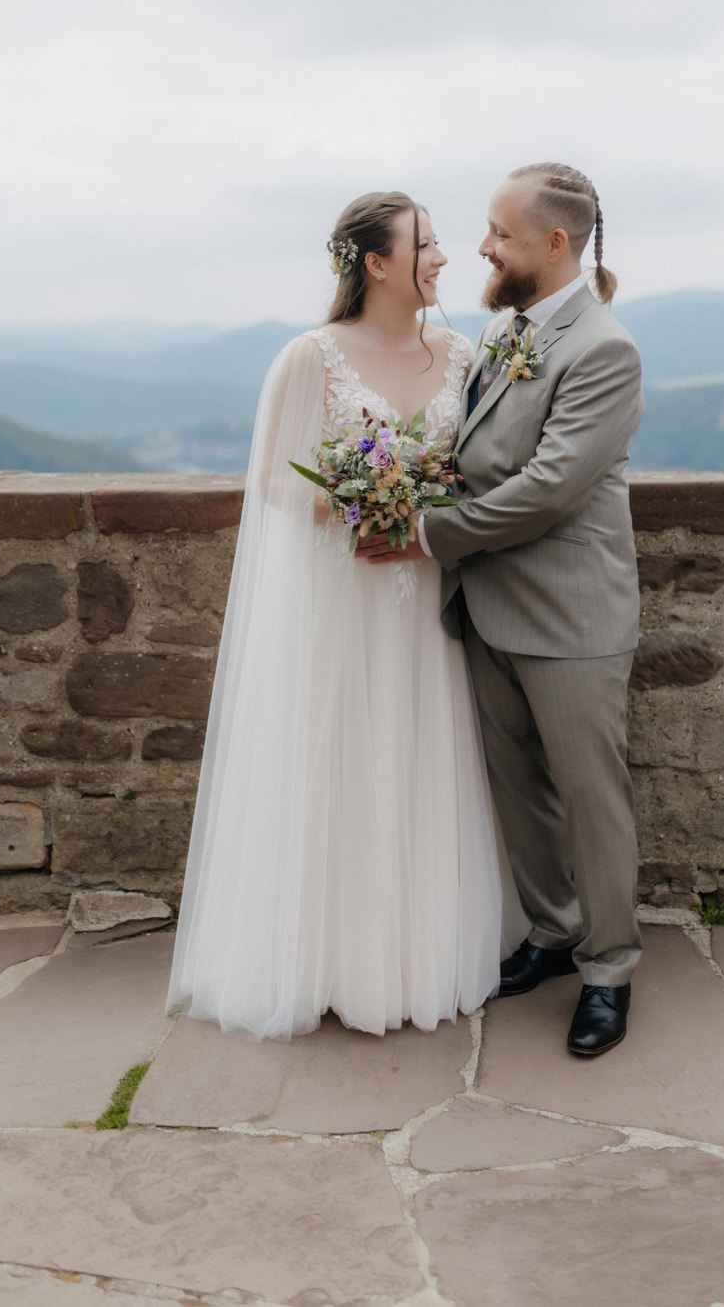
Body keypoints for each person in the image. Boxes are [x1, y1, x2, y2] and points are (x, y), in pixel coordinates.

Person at [167, 191, 515, 1041]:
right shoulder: (310, 357)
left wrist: (422, 507)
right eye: (425, 244)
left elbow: (475, 471)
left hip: (422, 600)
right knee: (336, 761)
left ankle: (409, 955)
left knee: (419, 753)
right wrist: (364, 503)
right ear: (376, 262)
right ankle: (322, 959)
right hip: (341, 601)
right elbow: (275, 482)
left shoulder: (463, 353)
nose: (442, 257)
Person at [359, 164, 644, 1057]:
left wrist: (424, 535)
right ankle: (554, 933)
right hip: (485, 606)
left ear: (555, 244)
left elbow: (549, 488)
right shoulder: (505, 331)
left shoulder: (603, 349)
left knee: (593, 798)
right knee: (519, 789)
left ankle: (609, 971)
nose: (481, 247)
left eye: (499, 233)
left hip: (569, 615)